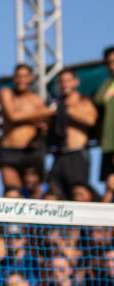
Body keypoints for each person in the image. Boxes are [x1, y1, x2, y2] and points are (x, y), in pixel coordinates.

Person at [0, 64, 54, 197]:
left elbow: (44, 127)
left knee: (36, 194)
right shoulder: (6, 93)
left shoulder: (36, 100)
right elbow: (12, 116)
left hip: (31, 152)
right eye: (18, 76)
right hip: (9, 151)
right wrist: (43, 112)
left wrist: (42, 128)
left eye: (24, 76)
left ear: (31, 78)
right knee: (12, 193)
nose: (21, 80)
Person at [48, 68, 98, 198]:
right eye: (62, 81)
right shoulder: (55, 104)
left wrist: (68, 110)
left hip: (77, 154)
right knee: (55, 193)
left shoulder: (83, 101)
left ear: (76, 82)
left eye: (68, 81)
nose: (65, 84)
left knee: (79, 193)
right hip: (59, 154)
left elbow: (91, 120)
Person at [93, 47, 114, 189]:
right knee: (109, 185)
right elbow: (98, 101)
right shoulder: (106, 85)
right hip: (108, 144)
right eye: (109, 63)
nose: (112, 66)